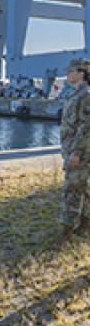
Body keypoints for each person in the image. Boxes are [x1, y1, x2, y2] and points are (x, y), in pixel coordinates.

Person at [60, 57, 90, 236]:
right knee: (82, 187)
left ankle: (67, 229)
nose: (67, 73)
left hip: (80, 151)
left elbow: (86, 126)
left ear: (81, 73)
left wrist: (77, 152)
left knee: (72, 188)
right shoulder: (76, 93)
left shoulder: (85, 95)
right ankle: (86, 224)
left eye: (70, 71)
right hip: (72, 149)